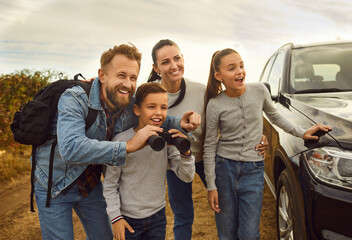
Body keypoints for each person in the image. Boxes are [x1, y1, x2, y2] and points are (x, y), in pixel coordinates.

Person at [33, 43, 200, 240]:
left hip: (89, 182)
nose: (128, 84)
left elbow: (152, 113)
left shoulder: (128, 102)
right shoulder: (74, 98)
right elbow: (70, 148)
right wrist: (128, 146)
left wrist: (179, 122)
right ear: (102, 75)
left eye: (133, 78)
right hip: (55, 183)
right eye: (121, 75)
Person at [203, 48, 332, 240]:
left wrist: (302, 132)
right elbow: (210, 146)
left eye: (241, 66)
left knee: (248, 234)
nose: (240, 71)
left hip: (253, 170)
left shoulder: (259, 90)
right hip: (224, 170)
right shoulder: (215, 104)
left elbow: (276, 117)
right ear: (218, 75)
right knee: (227, 234)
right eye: (232, 68)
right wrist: (211, 186)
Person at [147, 39, 268, 239]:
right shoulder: (149, 94)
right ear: (156, 68)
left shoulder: (200, 90)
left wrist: (258, 136)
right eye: (166, 62)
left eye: (177, 58)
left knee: (225, 205)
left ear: (183, 58)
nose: (174, 65)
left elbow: (232, 113)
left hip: (204, 158)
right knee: (183, 215)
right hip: (174, 163)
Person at [103, 82, 195, 240]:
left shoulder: (166, 140)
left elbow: (187, 176)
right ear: (137, 110)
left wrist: (185, 152)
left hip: (157, 217)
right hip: (127, 218)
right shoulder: (121, 141)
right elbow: (110, 185)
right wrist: (115, 217)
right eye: (151, 107)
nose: (159, 113)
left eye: (163, 107)